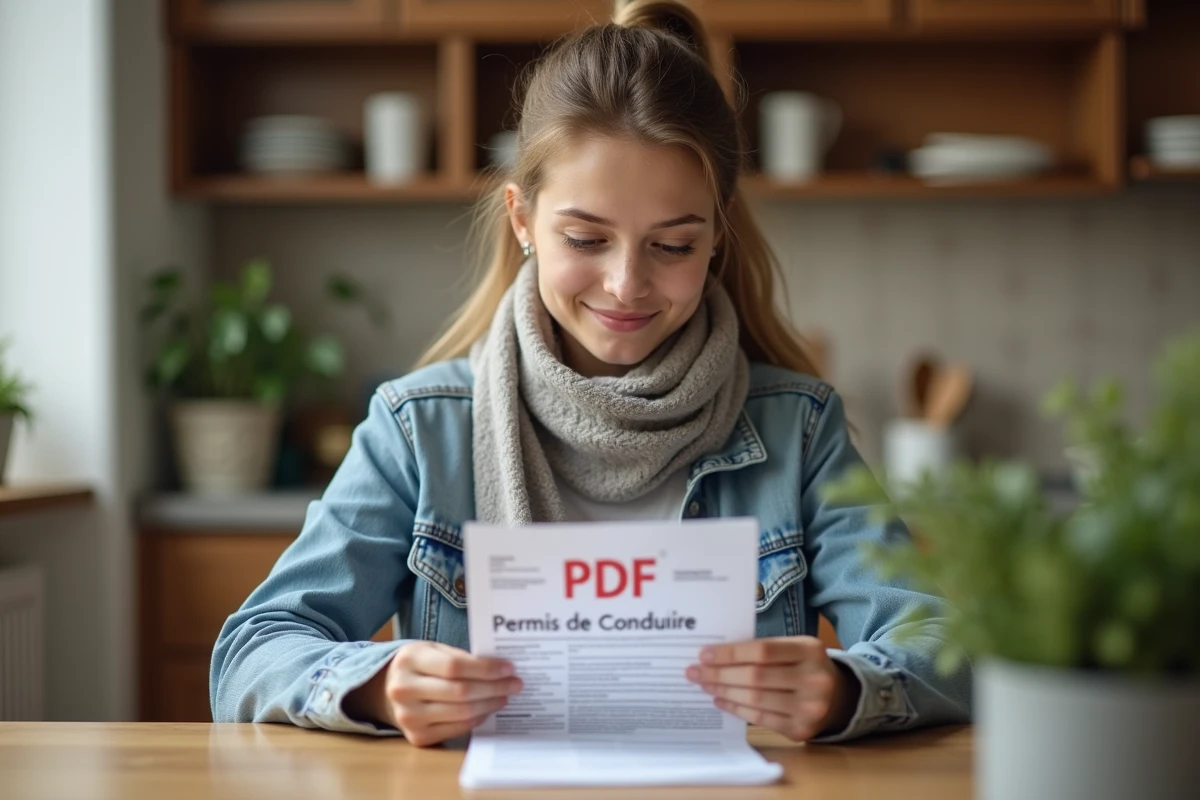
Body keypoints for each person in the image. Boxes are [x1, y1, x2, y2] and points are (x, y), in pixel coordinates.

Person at [210, 0, 971, 748]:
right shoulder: (420, 429)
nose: (626, 284)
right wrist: (378, 685)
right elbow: (251, 652)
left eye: (672, 246)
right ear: (522, 220)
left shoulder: (798, 429)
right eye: (586, 238)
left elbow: (944, 645)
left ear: (716, 239)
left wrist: (844, 689)